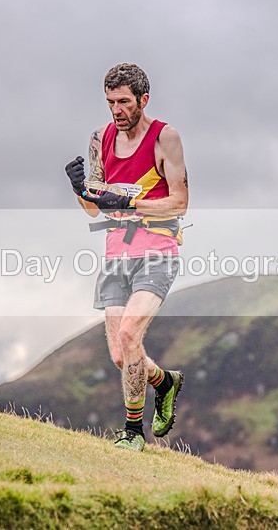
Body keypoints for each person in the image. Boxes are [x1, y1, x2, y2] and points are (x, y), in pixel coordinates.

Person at [64, 63, 189, 451]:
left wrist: (132, 203)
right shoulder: (99, 138)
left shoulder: (165, 137)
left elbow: (180, 201)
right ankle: (164, 382)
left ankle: (133, 432)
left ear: (143, 100)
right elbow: (93, 210)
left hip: (158, 251)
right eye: (110, 102)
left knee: (129, 333)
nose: (116, 110)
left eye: (123, 102)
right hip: (117, 254)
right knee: (122, 355)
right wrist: (79, 190)